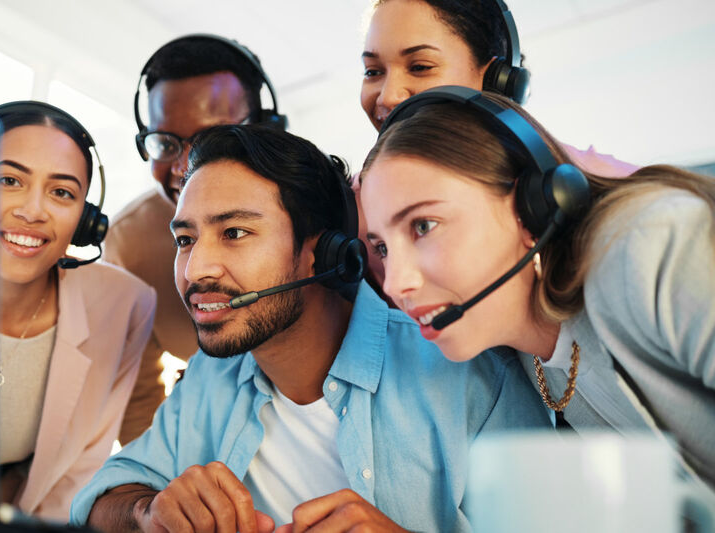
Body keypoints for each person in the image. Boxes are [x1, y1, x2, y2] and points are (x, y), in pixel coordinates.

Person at [69, 124, 551, 532]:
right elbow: (98, 498)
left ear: (321, 254)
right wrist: (148, 511)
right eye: (186, 238)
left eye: (234, 233)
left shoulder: (475, 374)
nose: (196, 270)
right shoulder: (211, 376)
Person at [359, 86, 715, 491]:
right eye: (383, 248)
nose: (396, 283)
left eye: (423, 226)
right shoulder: (534, 361)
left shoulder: (650, 246)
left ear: (534, 207)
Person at [356, 0, 639, 294]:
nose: (387, 96)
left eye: (419, 67)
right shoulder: (355, 211)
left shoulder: (608, 192)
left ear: (496, 81)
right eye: (373, 72)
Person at [104, 35, 287, 444]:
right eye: (166, 143)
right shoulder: (127, 246)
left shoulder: (332, 207)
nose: (187, 166)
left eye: (211, 138)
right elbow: (138, 402)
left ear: (265, 130)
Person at [0, 101, 156, 520]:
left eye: (61, 192)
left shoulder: (123, 304)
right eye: (9, 179)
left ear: (84, 220)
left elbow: (76, 473)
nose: (32, 211)